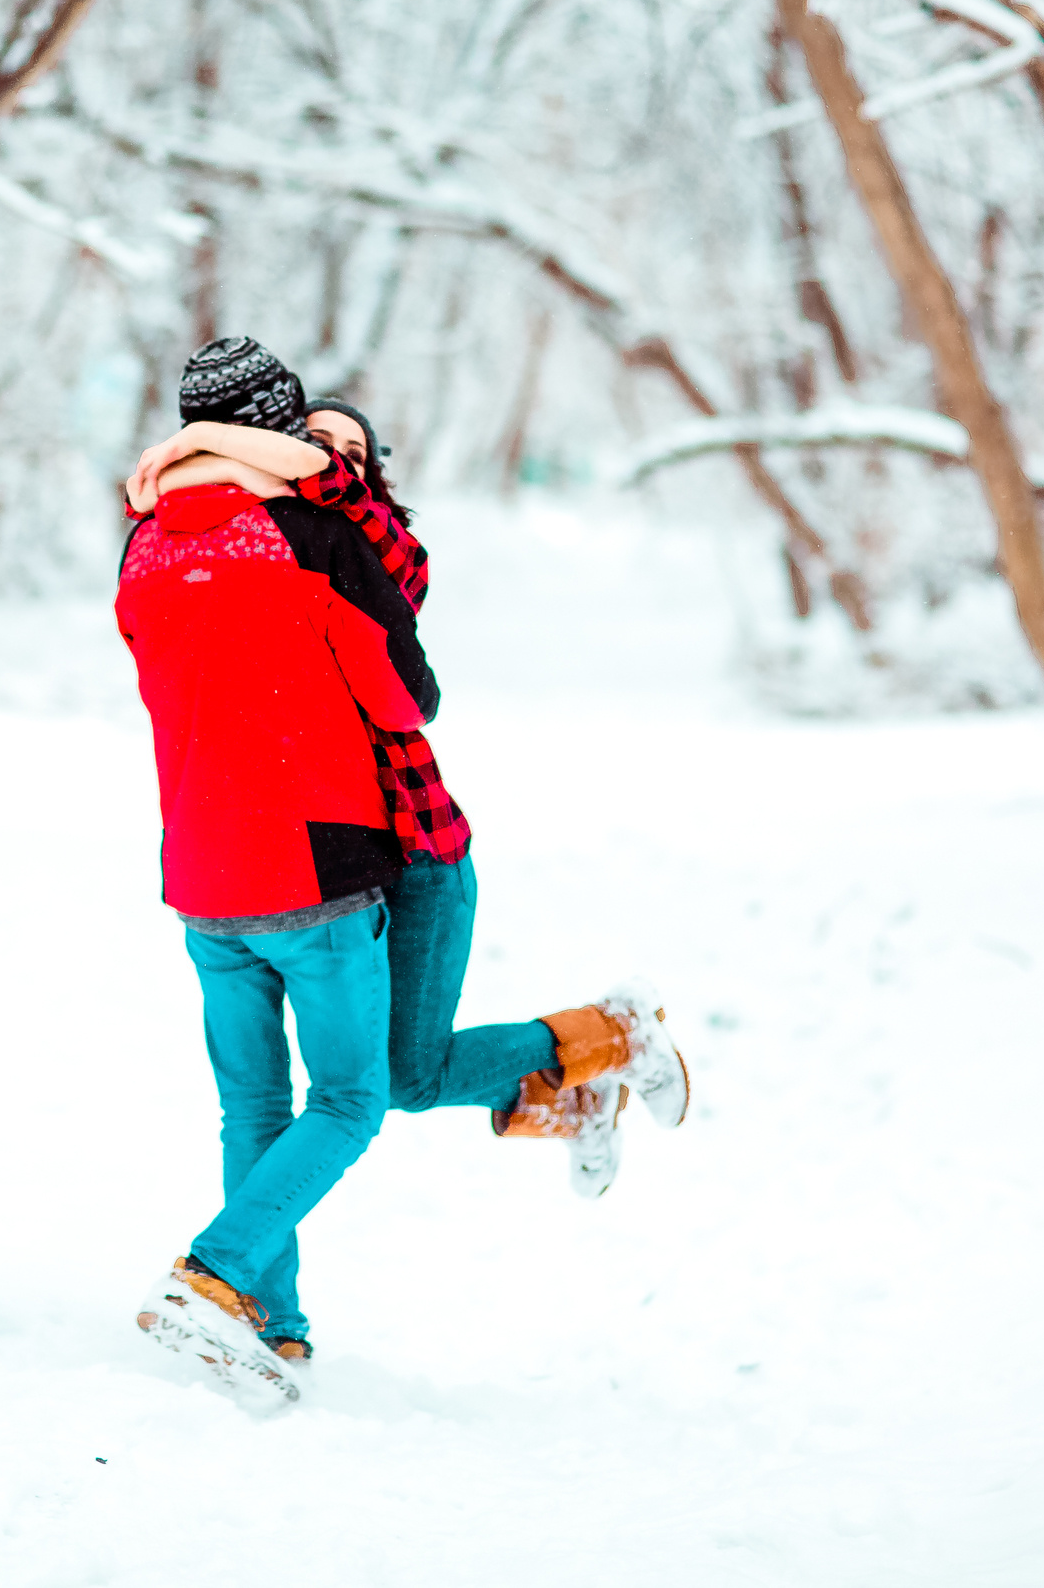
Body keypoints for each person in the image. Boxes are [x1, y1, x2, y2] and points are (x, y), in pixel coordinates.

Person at [128, 390, 690, 1204]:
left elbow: (404, 676)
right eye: (316, 443)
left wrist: (318, 478)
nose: (331, 460)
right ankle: (574, 1094)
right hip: (329, 867)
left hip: (418, 854)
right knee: (393, 1079)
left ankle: (614, 1032)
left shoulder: (361, 550)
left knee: (399, 1078)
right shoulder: (280, 548)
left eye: (353, 454)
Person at [116, 337, 435, 1404]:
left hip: (201, 874)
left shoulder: (141, 548)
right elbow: (403, 699)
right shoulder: (307, 535)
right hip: (318, 861)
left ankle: (275, 1326)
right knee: (348, 1099)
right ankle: (210, 1279)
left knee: (251, 1106)